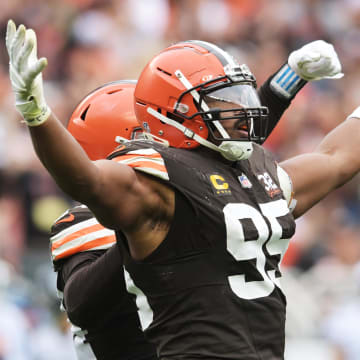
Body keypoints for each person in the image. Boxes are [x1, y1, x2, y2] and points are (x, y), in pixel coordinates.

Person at [6, 19, 355, 360]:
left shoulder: (188, 185)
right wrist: (147, 236)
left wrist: (287, 81)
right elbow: (82, 305)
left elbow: (216, 176)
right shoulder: (108, 211)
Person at [50, 80, 157, 360]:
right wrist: (140, 233)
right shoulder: (86, 219)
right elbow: (81, 304)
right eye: (154, 140)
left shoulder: (176, 202)